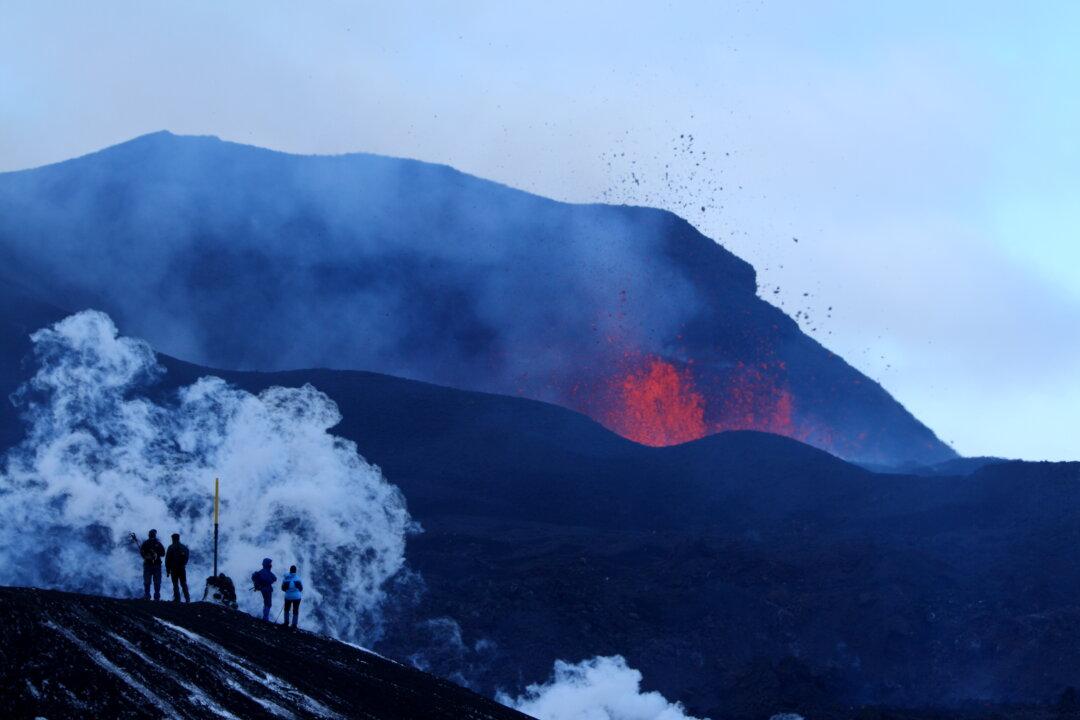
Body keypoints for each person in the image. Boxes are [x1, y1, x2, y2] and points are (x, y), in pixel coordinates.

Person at [139, 529, 165, 600]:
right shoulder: (158, 543)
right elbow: (163, 553)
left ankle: (148, 595)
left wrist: (150, 556)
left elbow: (142, 553)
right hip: (154, 565)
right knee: (156, 581)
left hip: (150, 564)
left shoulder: (146, 543)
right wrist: (149, 556)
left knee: (148, 581)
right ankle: (155, 596)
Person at [164, 532, 191, 603]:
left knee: (175, 583)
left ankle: (177, 599)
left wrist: (167, 569)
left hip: (174, 568)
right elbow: (187, 556)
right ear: (178, 539)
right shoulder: (184, 547)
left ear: (172, 539)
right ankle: (187, 599)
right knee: (183, 583)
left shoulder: (171, 547)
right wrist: (184, 563)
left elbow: (167, 559)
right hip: (182, 568)